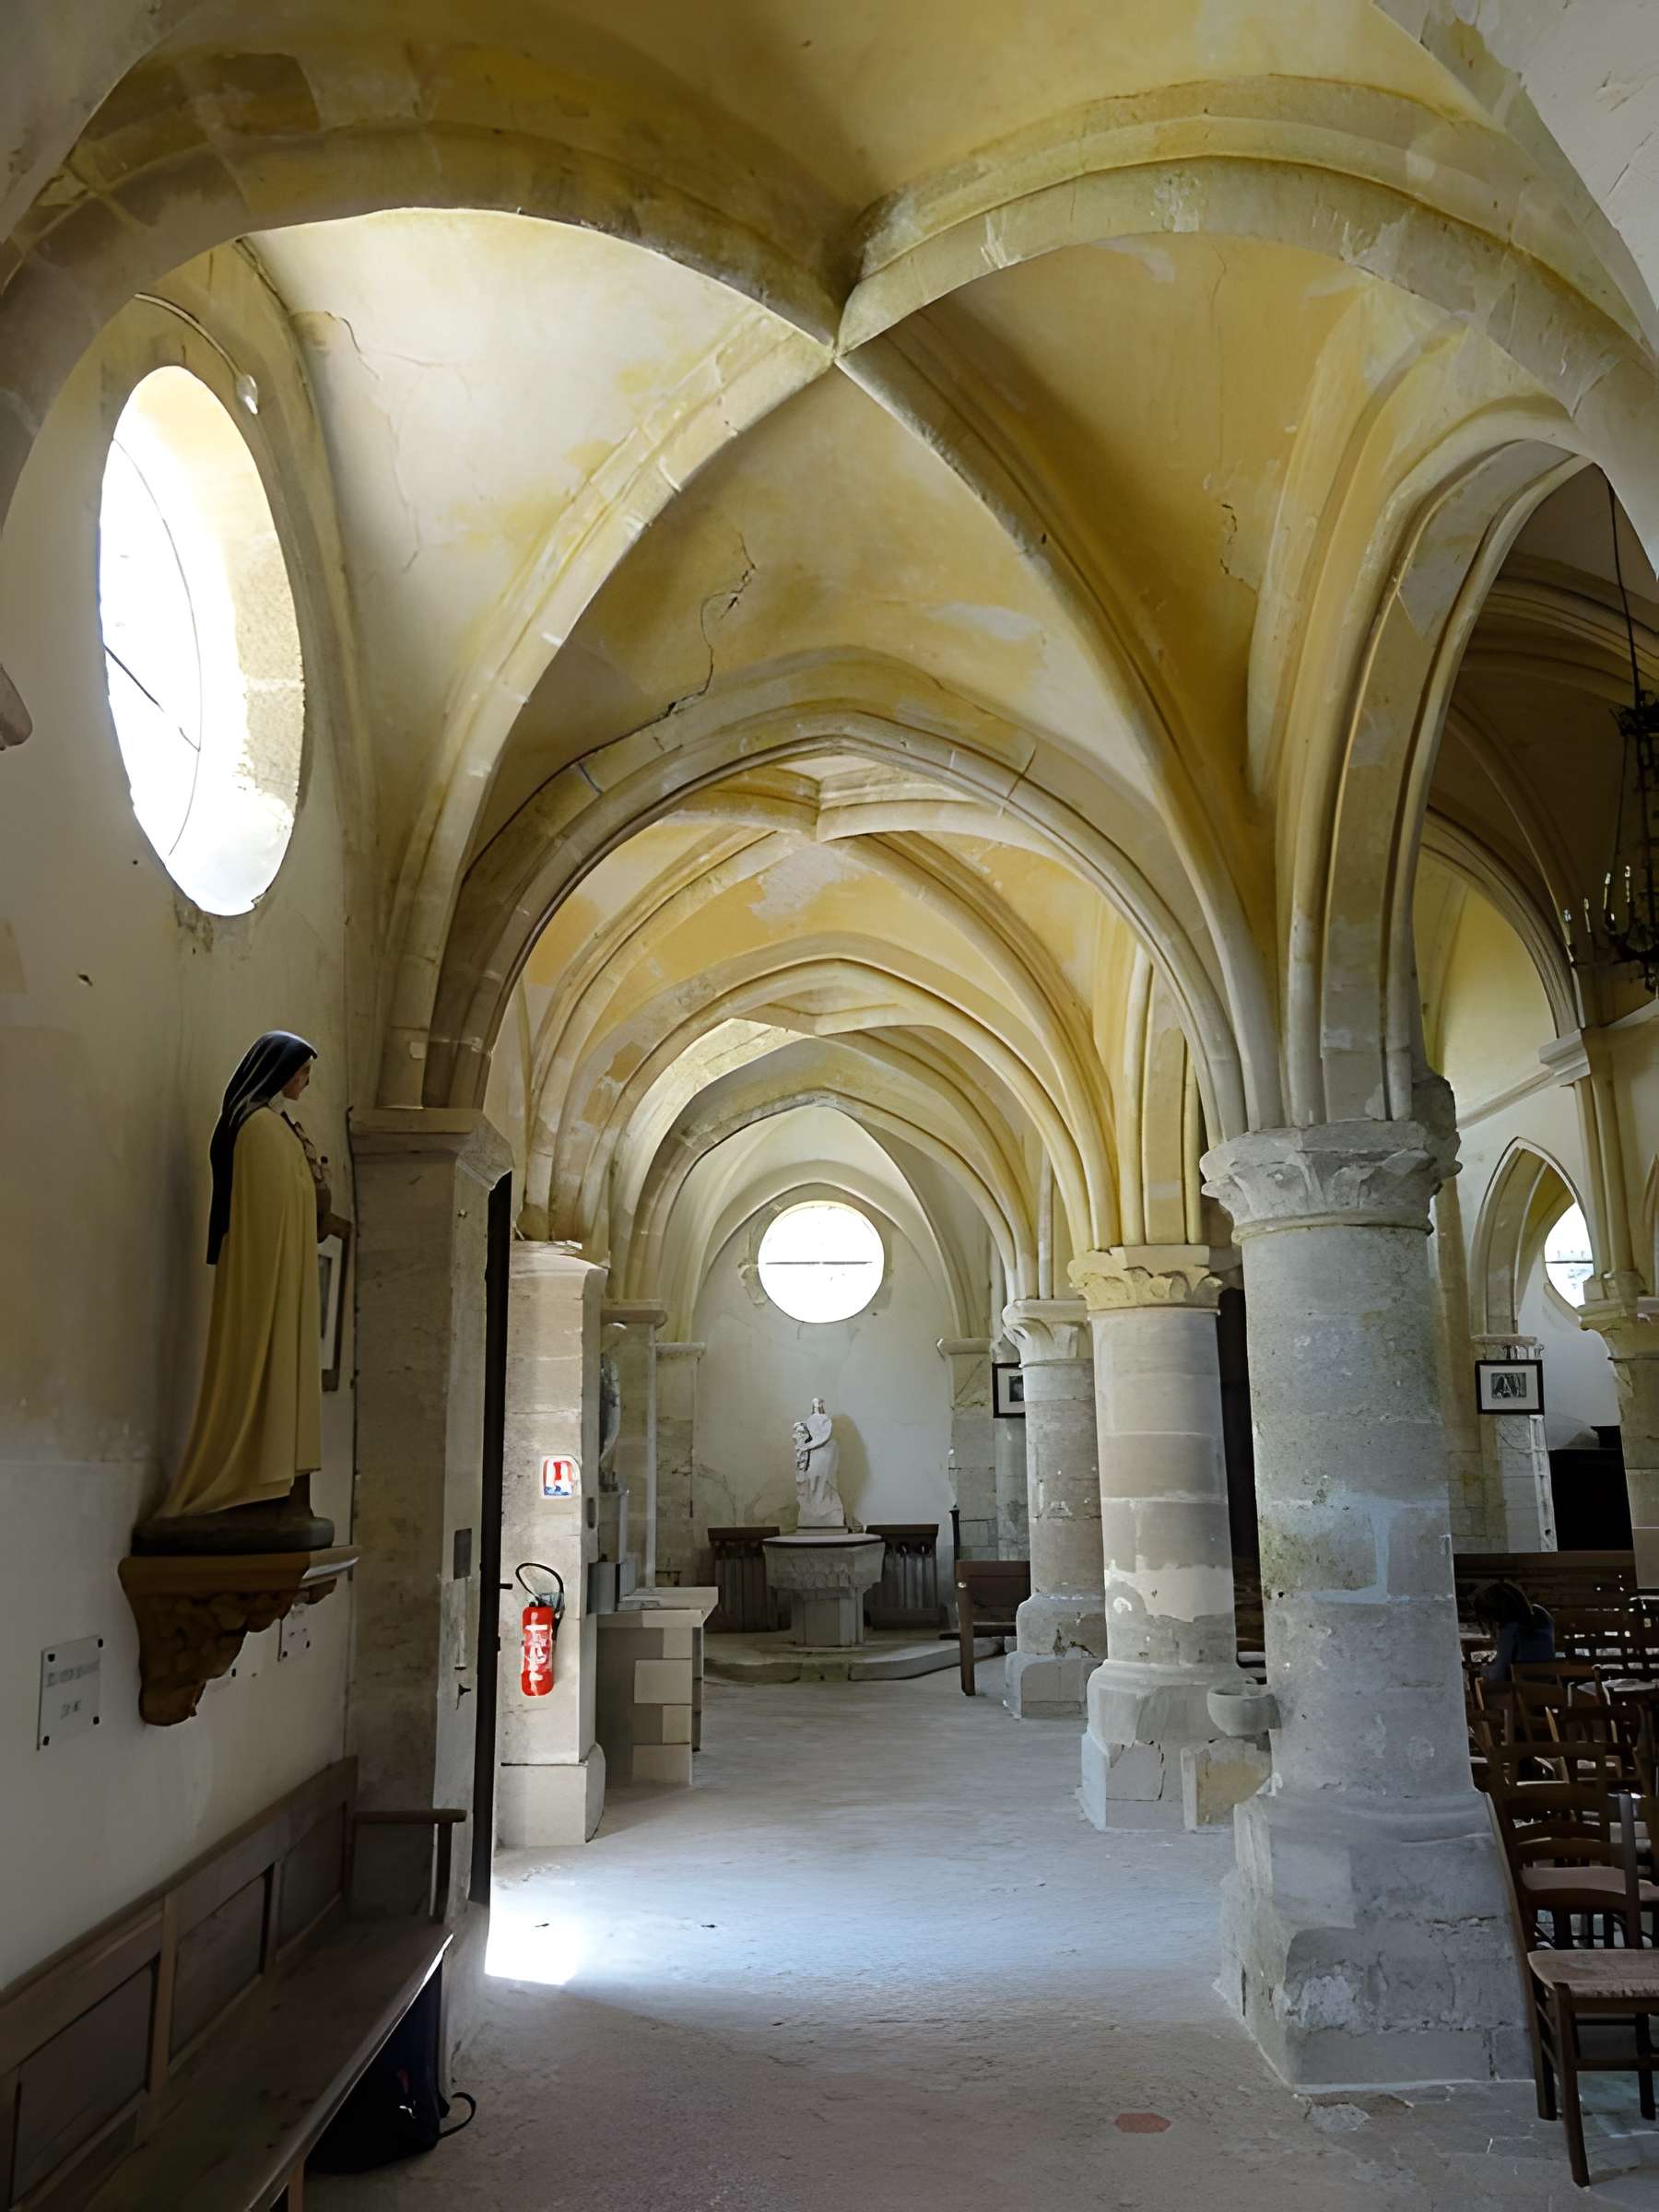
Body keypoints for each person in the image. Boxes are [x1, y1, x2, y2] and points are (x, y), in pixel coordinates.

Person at [155, 1031, 326, 1524]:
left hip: (278, 1273)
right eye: (301, 1073)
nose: (305, 1083)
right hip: (264, 1276)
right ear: (279, 1071)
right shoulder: (261, 1129)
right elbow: (269, 1210)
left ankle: (272, 1482)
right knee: (261, 1368)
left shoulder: (271, 1126)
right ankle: (250, 1481)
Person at [1474, 1579, 1555, 1683]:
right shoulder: (1542, 1617)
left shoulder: (1509, 1631)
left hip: (1525, 1690)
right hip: (1549, 1684)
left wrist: (1483, 1670)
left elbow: (1499, 1674)